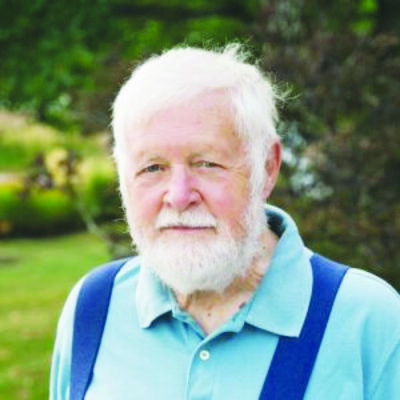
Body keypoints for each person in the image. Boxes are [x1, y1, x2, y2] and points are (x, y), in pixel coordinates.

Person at [50, 44, 400, 399]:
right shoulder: (93, 309)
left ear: (267, 167)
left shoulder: (369, 320)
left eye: (206, 164)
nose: (179, 195)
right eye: (152, 167)